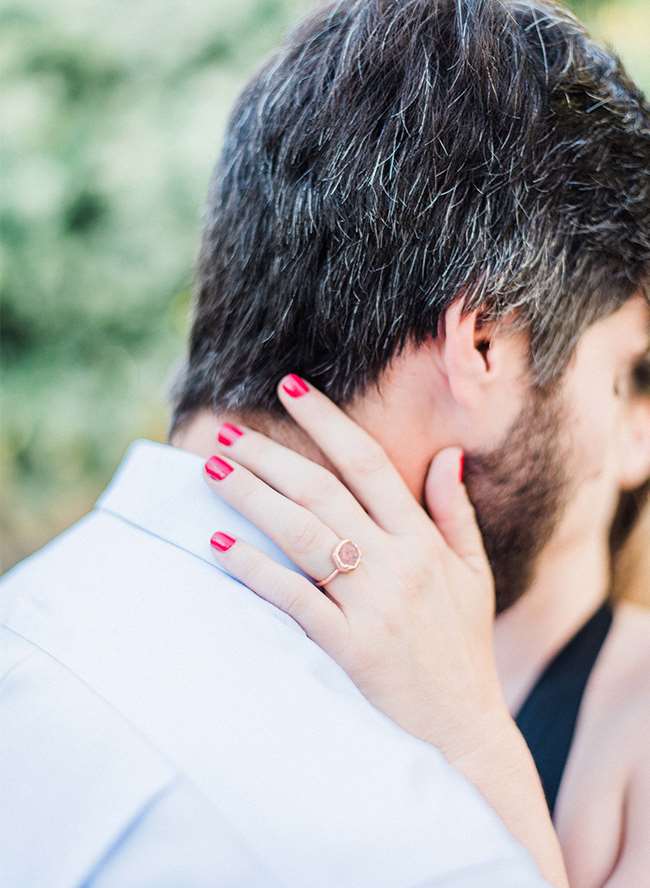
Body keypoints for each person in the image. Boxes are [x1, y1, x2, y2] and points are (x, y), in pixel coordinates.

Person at [0, 0, 647, 885]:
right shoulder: (419, 841)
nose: (622, 430)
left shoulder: (28, 632)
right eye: (619, 372)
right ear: (485, 341)